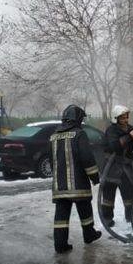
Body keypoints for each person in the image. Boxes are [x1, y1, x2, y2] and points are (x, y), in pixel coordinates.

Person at [50, 105, 102, 253]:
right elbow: (87, 158)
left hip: (59, 186)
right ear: (77, 118)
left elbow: (53, 160)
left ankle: (60, 245)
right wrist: (94, 176)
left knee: (61, 216)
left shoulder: (53, 136)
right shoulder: (79, 134)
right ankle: (89, 234)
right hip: (78, 183)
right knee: (85, 209)